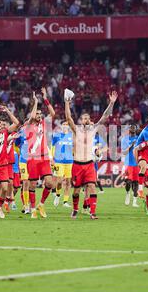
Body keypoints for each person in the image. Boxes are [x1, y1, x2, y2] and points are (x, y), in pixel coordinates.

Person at [65, 90, 118, 220]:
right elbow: (68, 118)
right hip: (77, 165)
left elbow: (105, 117)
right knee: (76, 190)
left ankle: (93, 212)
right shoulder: (76, 130)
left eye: (88, 118)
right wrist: (67, 103)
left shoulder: (93, 130)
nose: (86, 120)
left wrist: (111, 103)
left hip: (89, 164)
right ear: (81, 120)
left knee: (92, 187)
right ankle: (75, 209)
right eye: (84, 118)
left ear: (90, 120)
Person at [23, 88, 56, 219]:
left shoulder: (43, 123)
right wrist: (36, 101)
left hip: (44, 158)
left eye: (40, 114)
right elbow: (31, 117)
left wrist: (45, 98)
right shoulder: (28, 124)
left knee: (49, 183)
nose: (39, 115)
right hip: (32, 159)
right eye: (37, 114)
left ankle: (41, 204)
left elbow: (52, 113)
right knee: (32, 184)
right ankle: (32, 209)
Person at [52, 121, 74, 208]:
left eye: (67, 125)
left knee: (68, 182)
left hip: (69, 162)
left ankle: (65, 201)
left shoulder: (72, 136)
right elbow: (52, 147)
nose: (65, 126)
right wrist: (52, 158)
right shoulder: (56, 136)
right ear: (61, 126)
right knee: (60, 181)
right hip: (59, 162)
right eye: (64, 124)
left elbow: (74, 149)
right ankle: (57, 195)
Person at [121, 124, 139, 207]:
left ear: (136, 129)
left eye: (134, 128)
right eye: (131, 128)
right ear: (129, 129)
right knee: (128, 181)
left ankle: (135, 202)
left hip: (137, 163)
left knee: (136, 183)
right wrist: (132, 145)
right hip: (128, 163)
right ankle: (128, 192)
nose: (132, 129)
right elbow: (124, 152)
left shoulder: (139, 138)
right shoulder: (125, 139)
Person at [15, 129, 30, 214]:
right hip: (23, 161)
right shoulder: (21, 133)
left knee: (32, 183)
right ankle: (26, 205)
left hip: (33, 161)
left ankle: (30, 204)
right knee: (25, 182)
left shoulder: (36, 132)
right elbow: (16, 144)